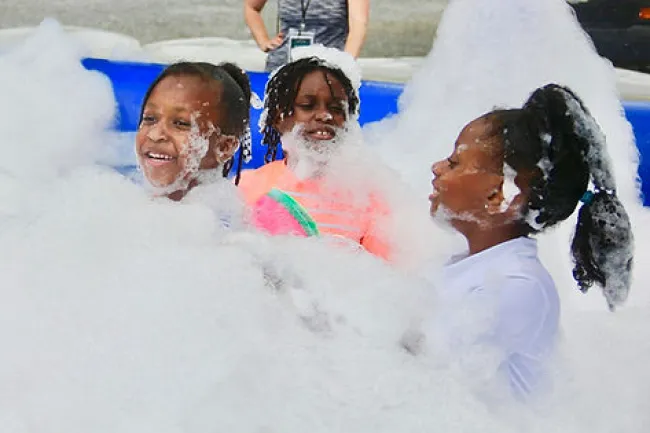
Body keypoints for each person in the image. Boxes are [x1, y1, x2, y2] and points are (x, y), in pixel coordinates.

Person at [428, 84, 634, 399]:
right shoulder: (474, 265)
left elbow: (428, 382)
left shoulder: (513, 285)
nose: (437, 168)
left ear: (499, 196)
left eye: (454, 162)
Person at [237, 46, 392, 260]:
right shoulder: (248, 188)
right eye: (307, 106)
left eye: (336, 109)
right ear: (280, 118)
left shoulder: (369, 201)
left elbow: (386, 278)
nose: (325, 116)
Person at [135, 61, 252, 202]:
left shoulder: (218, 218)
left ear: (223, 147)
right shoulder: (125, 198)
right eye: (150, 118)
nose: (155, 135)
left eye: (180, 123)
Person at [243, 0, 370, 72]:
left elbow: (358, 27)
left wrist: (344, 66)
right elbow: (251, 8)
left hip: (327, 70)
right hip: (281, 67)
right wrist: (263, 41)